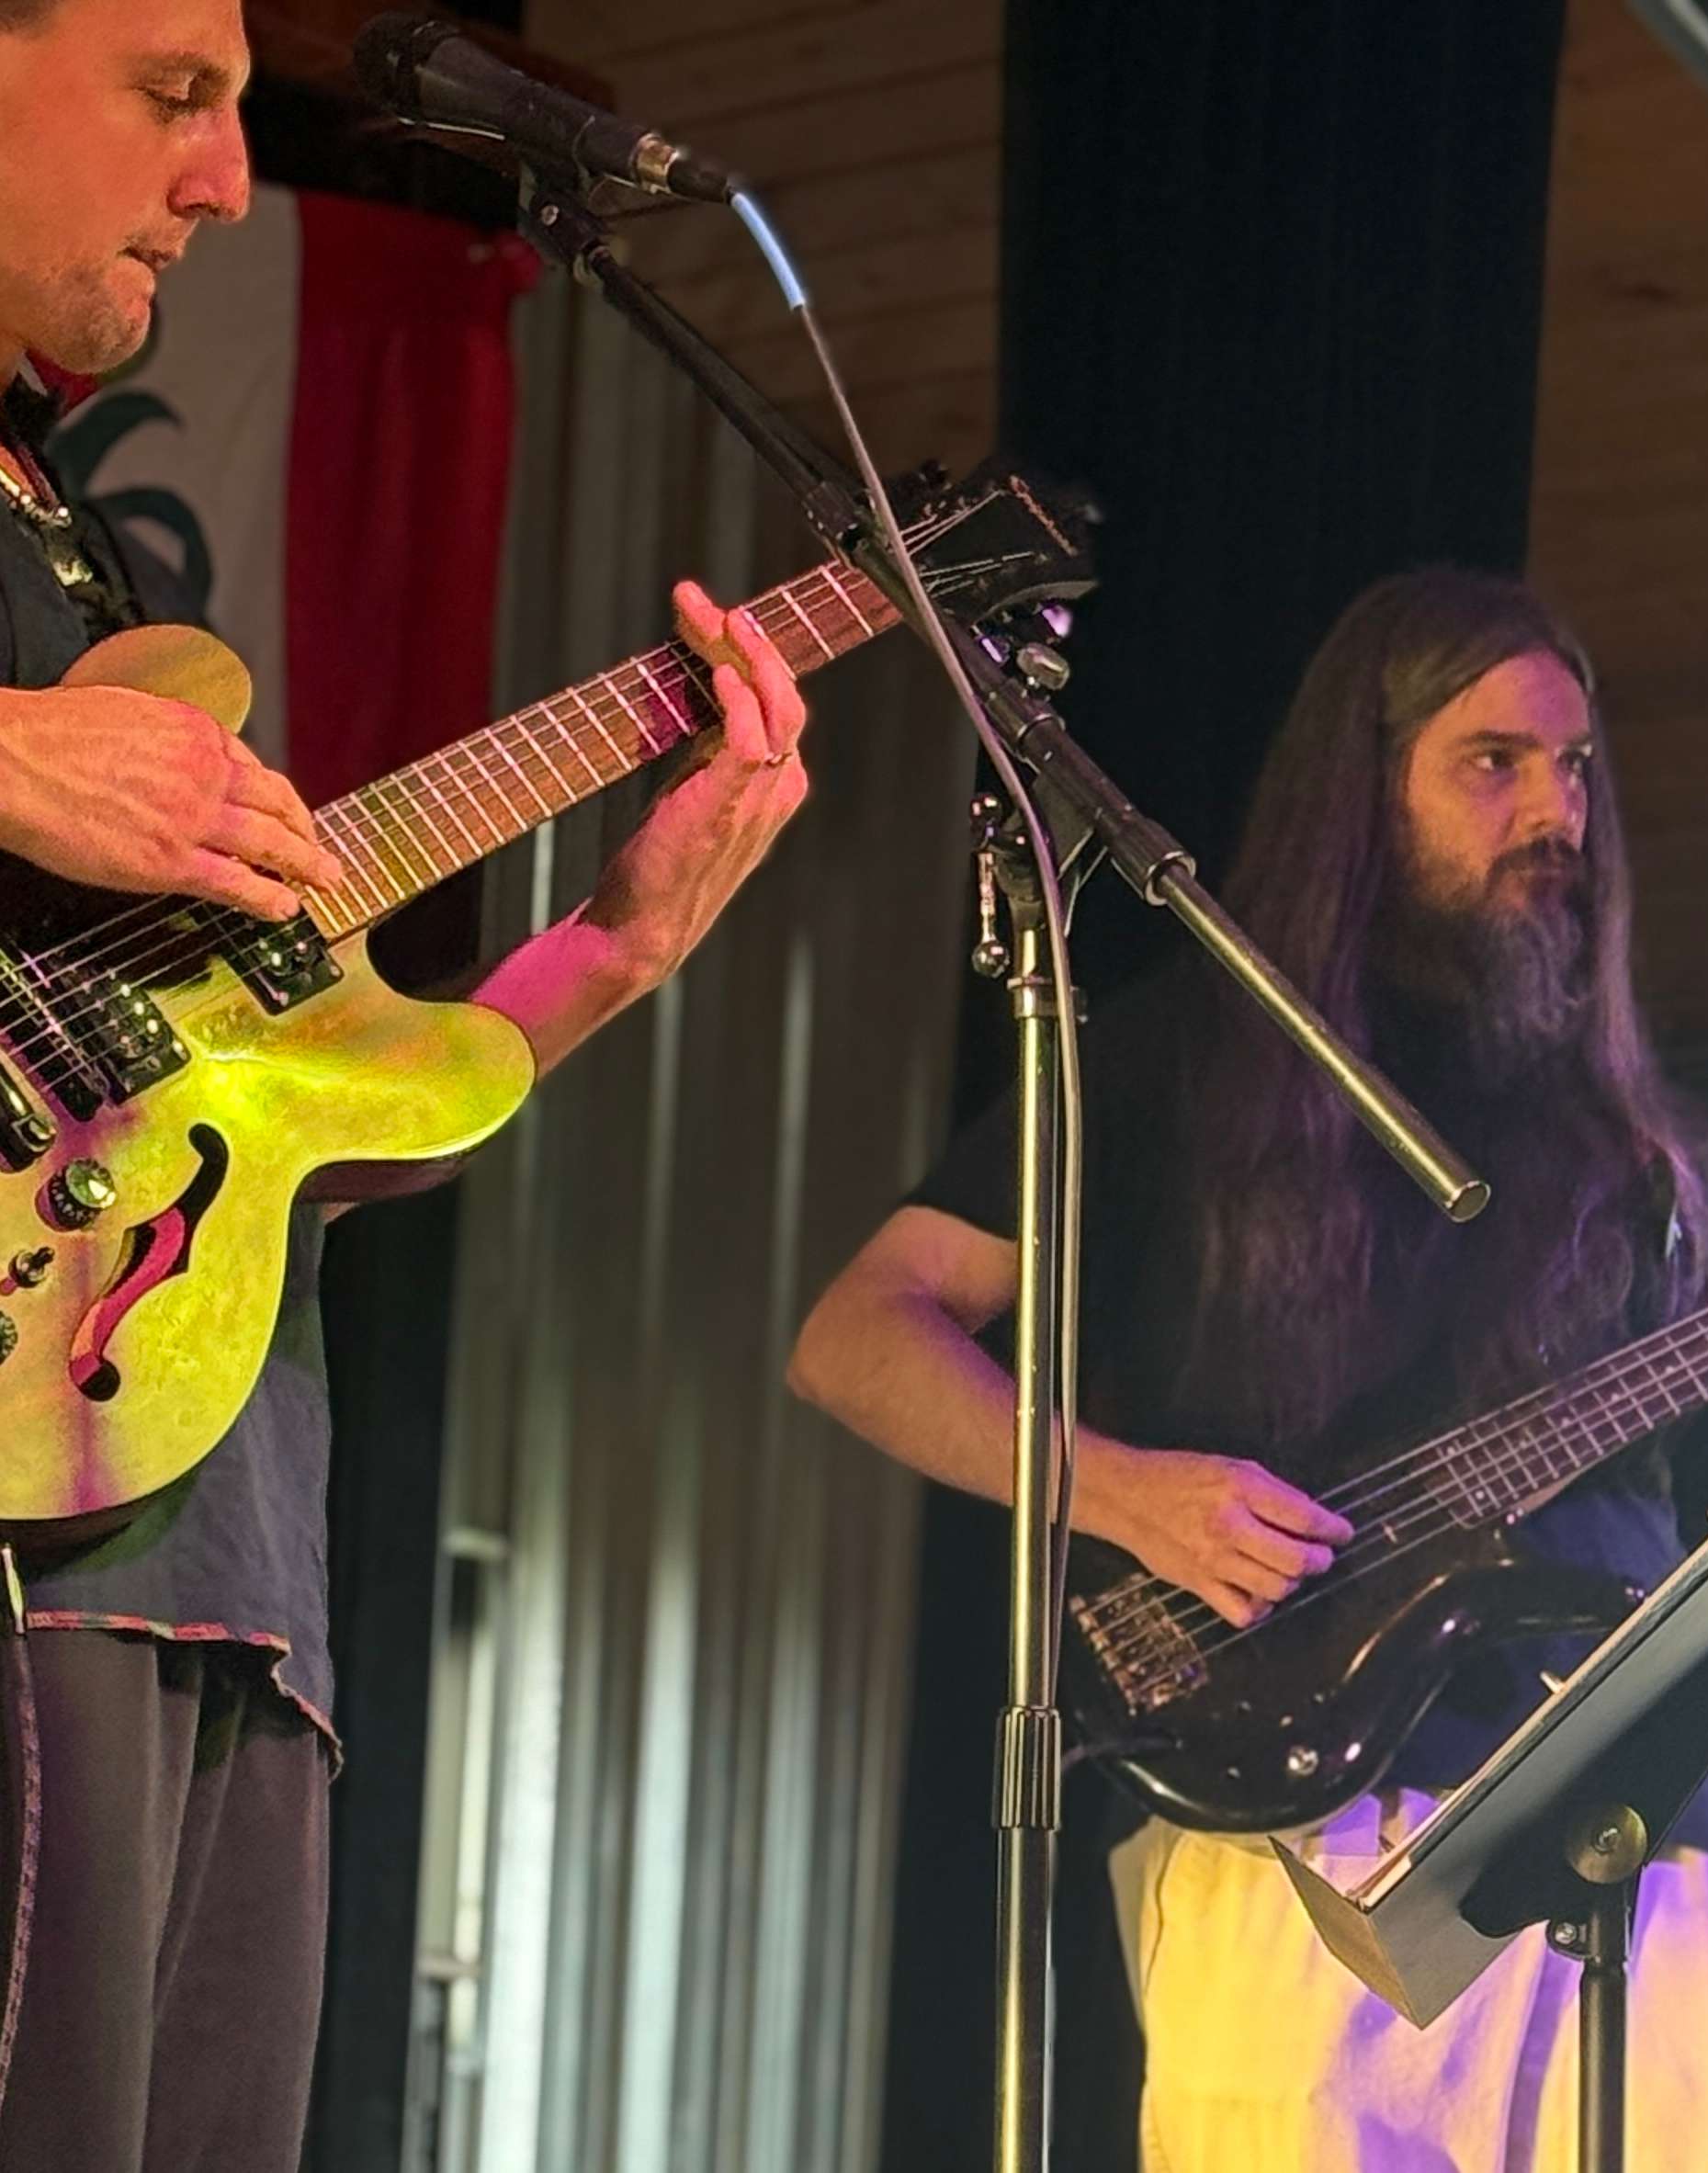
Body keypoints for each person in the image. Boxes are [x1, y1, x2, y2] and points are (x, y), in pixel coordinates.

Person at [791, 565, 1708, 2170]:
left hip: (1643, 1846)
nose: (1555, 813)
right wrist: (1121, 1492)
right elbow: (860, 1333)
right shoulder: (1180, 1063)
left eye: (1573, 767)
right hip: (1294, 1836)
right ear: (1364, 791)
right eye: (1491, 763)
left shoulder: (1649, 1154)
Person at [0, 3, 813, 2166]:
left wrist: (615, 945)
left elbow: (263, 1115)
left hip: (225, 1531)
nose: (224, 180)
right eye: (173, 96)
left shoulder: (78, 541)